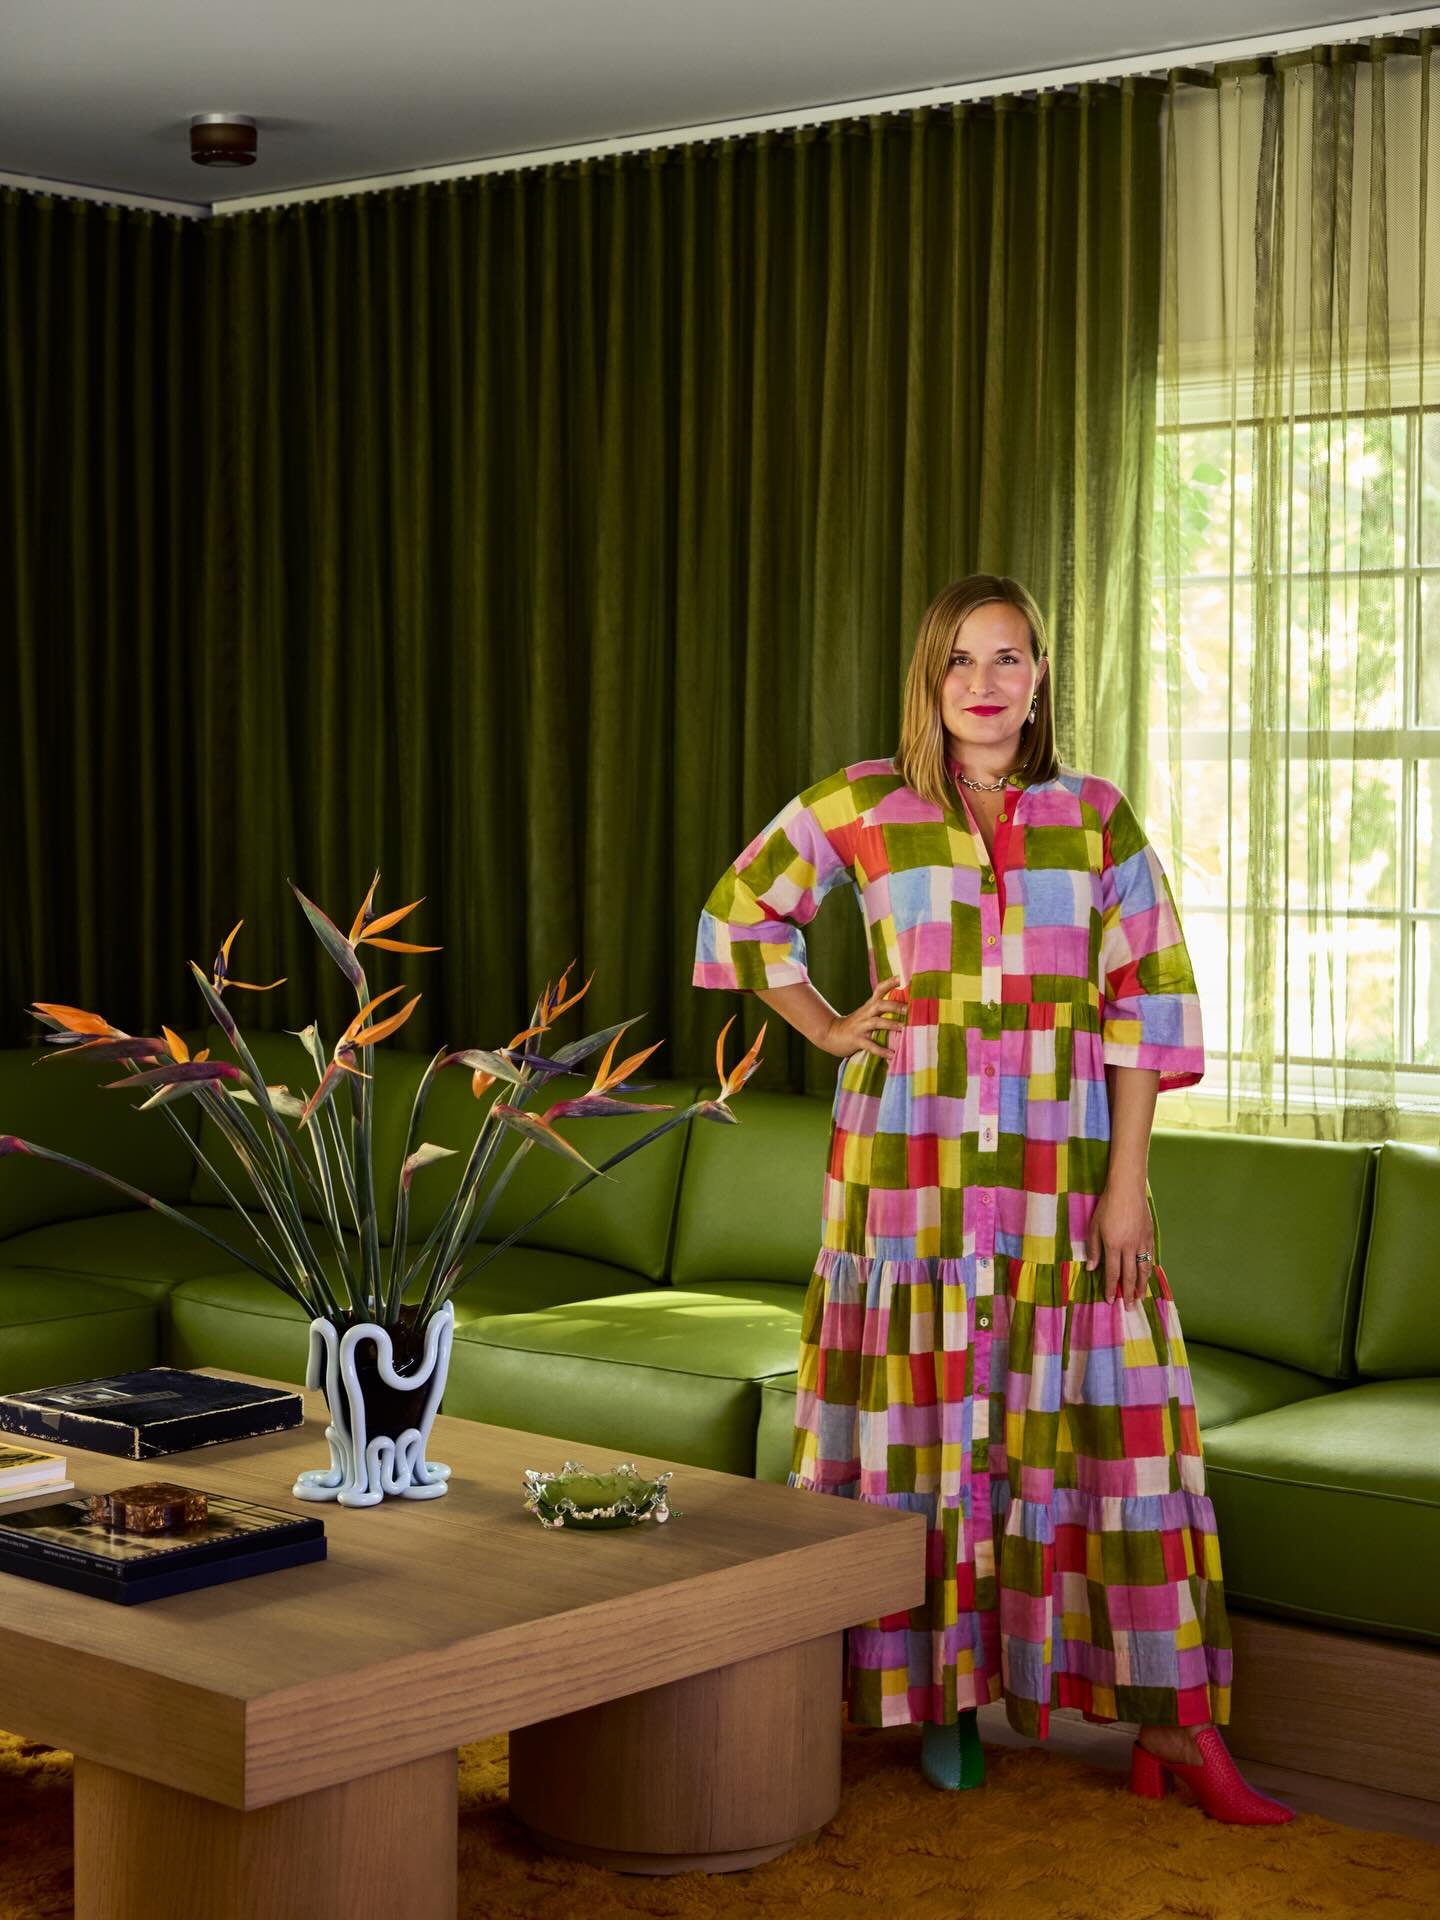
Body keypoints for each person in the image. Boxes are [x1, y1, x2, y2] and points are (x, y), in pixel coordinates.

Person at [692, 574, 1292, 1824]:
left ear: (1039, 679)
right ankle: (941, 1697)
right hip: (903, 1169)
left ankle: (1172, 1723)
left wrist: (1127, 1186)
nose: (983, 682)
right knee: (921, 1427)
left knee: (1118, 1430)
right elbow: (742, 915)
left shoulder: (1095, 817)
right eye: (960, 659)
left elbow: (1149, 1006)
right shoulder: (865, 803)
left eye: (1007, 658)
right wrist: (832, 1025)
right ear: (931, 676)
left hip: (1062, 1176)